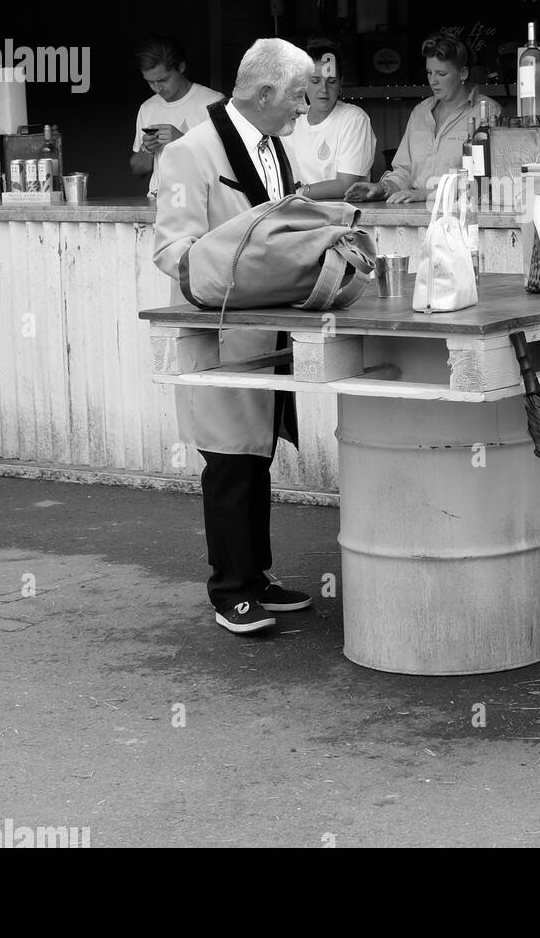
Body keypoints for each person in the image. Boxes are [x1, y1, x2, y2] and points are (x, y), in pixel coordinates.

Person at [153, 39, 315, 635]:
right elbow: (174, 252)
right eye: (299, 95)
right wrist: (255, 268)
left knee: (258, 457)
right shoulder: (188, 153)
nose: (306, 107)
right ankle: (229, 591)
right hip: (219, 334)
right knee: (227, 463)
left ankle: (256, 578)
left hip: (266, 330)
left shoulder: (276, 146)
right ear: (266, 93)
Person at [344, 33, 501, 205]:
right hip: (415, 215)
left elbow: (489, 178)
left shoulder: (487, 112)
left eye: (441, 74)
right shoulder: (420, 112)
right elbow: (404, 171)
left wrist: (429, 193)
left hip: (462, 215)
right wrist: (381, 187)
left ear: (463, 73)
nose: (433, 81)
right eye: (429, 72)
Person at [280, 39, 377, 200]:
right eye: (315, 81)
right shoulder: (292, 118)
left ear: (341, 83)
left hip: (340, 217)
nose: (324, 89)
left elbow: (346, 184)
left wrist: (297, 193)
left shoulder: (354, 119)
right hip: (294, 211)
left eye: (331, 81)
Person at [129, 37, 222, 198]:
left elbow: (227, 164)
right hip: (159, 202)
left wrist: (182, 140)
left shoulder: (214, 102)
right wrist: (147, 149)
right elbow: (138, 169)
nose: (157, 88)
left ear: (181, 67)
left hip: (201, 201)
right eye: (150, 82)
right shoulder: (147, 108)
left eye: (163, 80)